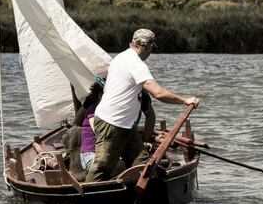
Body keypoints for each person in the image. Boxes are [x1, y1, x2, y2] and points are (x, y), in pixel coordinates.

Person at [85, 29, 200, 182]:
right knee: (103, 166)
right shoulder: (136, 64)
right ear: (148, 47)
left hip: (125, 124)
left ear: (133, 42)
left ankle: (139, 196)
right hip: (111, 122)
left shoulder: (120, 57)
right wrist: (185, 100)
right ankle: (89, 201)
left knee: (142, 162)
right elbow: (158, 93)